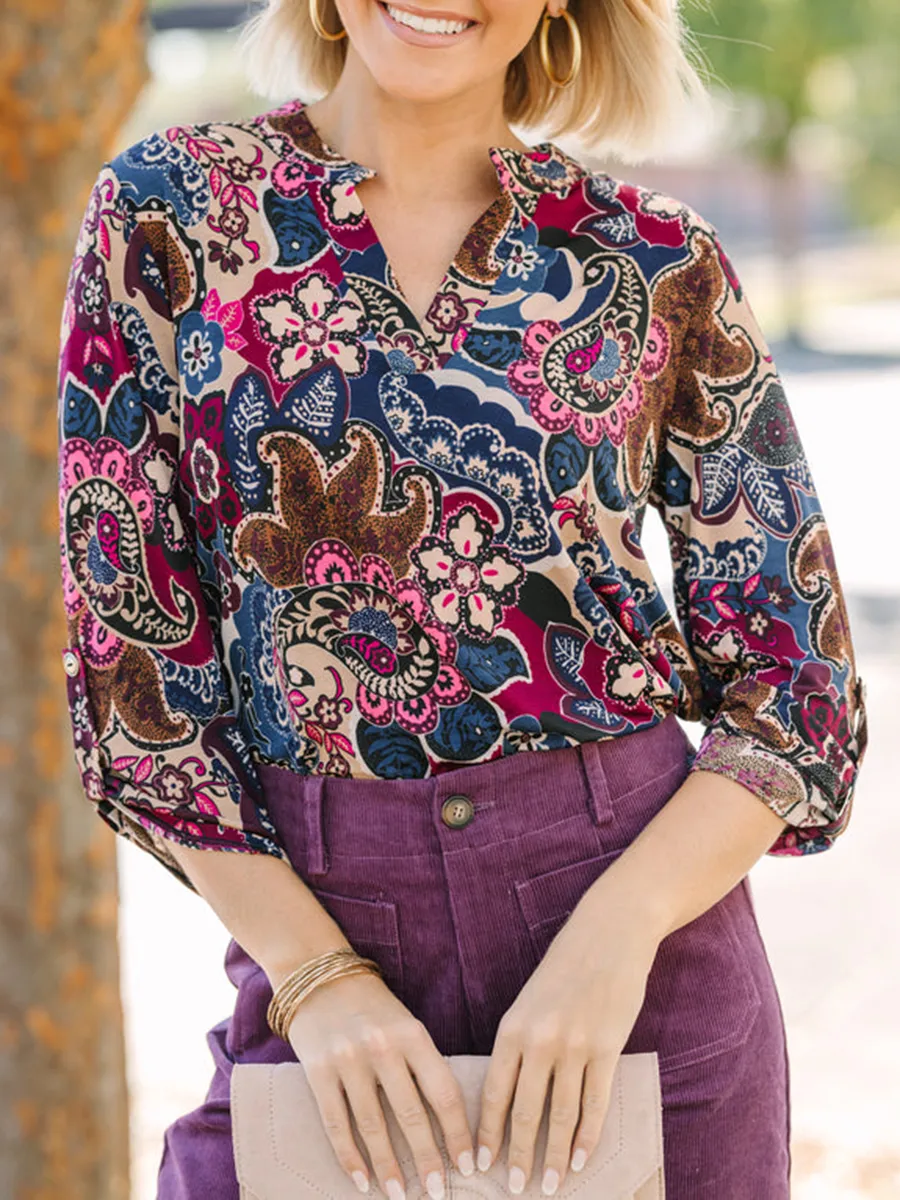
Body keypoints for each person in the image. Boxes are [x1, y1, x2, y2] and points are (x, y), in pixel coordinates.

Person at [56, 1, 868, 1197]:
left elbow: (798, 693)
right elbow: (137, 683)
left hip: (636, 959)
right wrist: (315, 981)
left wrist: (612, 940)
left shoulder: (652, 259)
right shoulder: (169, 218)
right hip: (318, 922)